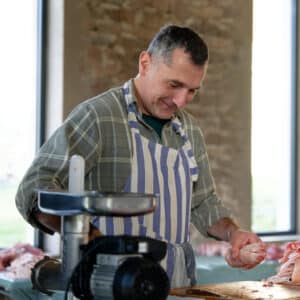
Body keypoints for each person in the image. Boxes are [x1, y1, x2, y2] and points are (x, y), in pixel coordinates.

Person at [16, 24, 265, 288]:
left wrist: (233, 232)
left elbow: (202, 202)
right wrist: (92, 239)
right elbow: (32, 191)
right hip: (110, 284)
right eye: (174, 84)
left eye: (192, 90)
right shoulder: (99, 117)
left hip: (176, 286)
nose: (181, 101)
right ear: (145, 63)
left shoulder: (188, 129)